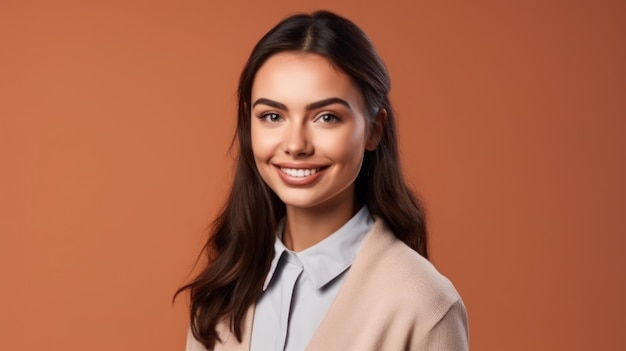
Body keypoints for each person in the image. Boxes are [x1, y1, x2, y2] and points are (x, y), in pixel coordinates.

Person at [176, 10, 469, 351]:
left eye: (326, 117)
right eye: (273, 116)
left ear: (374, 128)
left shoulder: (424, 306)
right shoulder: (222, 293)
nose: (296, 145)